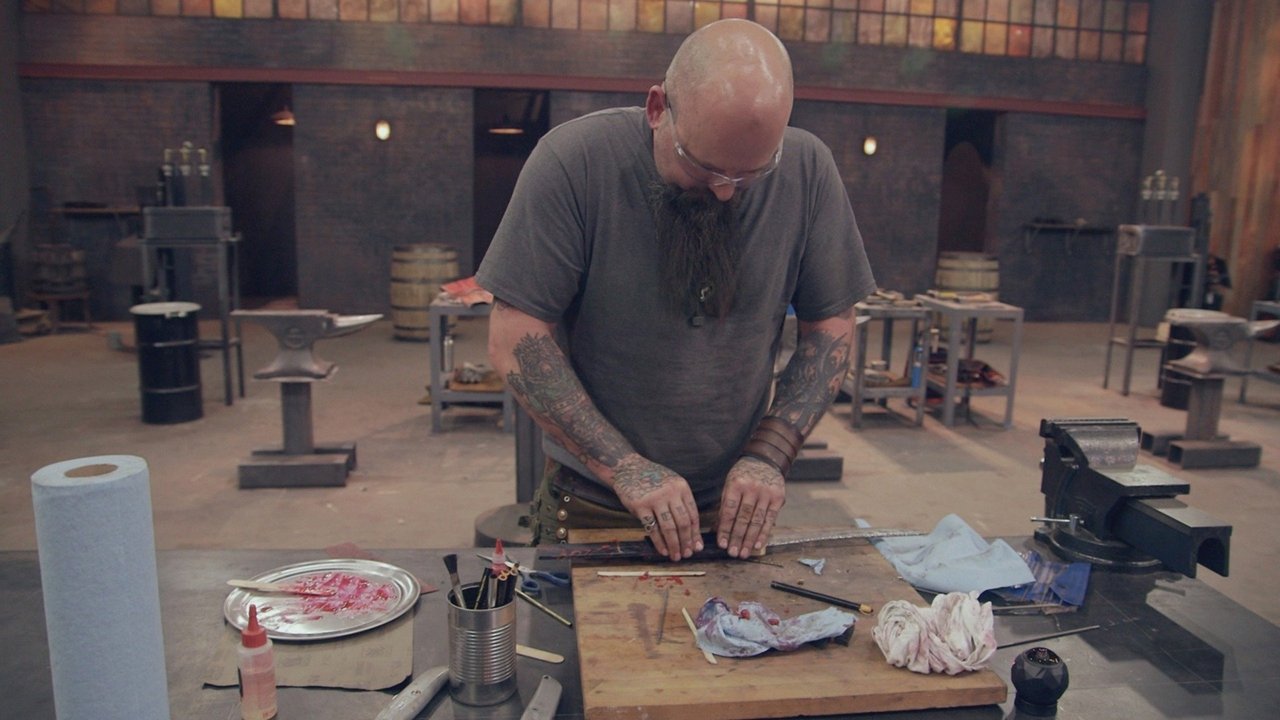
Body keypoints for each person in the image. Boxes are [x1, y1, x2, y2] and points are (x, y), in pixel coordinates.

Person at [476, 18, 875, 561]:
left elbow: (830, 328)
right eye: (705, 167)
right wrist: (624, 467)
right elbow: (515, 336)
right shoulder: (575, 162)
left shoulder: (809, 171)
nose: (726, 192)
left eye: (750, 175)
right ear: (658, 108)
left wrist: (771, 452)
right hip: (592, 506)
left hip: (731, 511)